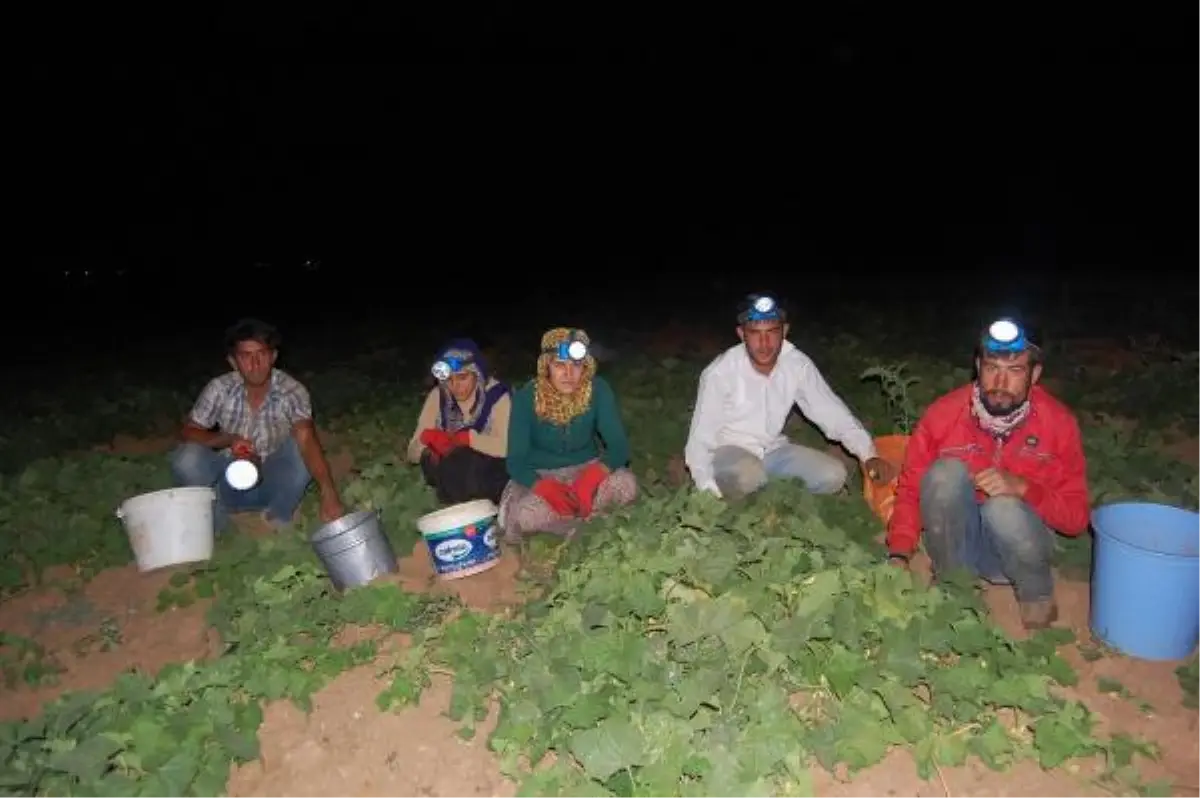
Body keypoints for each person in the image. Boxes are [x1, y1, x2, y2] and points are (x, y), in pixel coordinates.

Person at [885, 318, 1089, 630]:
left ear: (1034, 375)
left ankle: (1036, 597)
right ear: (978, 366)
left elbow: (1076, 519)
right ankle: (956, 587)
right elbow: (912, 487)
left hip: (1016, 547)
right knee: (944, 474)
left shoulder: (1058, 424)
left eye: (1015, 371)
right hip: (958, 541)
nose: (1000, 382)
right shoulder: (944, 414)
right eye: (992, 367)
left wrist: (1024, 488)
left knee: (1003, 507)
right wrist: (899, 551)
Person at [684, 293, 897, 500]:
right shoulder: (720, 372)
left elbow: (833, 414)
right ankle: (752, 495)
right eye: (755, 333)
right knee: (748, 476)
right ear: (741, 334)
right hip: (729, 452)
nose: (764, 343)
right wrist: (704, 486)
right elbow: (700, 440)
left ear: (784, 331)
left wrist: (869, 455)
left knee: (834, 476)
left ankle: (770, 493)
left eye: (772, 332)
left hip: (773, 451)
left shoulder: (797, 365)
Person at [169, 318, 345, 530]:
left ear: (273, 357)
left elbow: (307, 439)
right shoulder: (219, 388)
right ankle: (219, 524)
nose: (255, 364)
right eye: (246, 357)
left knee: (300, 447)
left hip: (272, 477)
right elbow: (189, 431)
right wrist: (227, 439)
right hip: (228, 481)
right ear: (233, 362)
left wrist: (328, 492)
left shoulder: (291, 391)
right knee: (186, 458)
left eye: (262, 354)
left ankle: (277, 517)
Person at [499, 327, 638, 539]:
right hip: (542, 475)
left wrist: (593, 476)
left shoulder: (598, 390)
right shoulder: (526, 398)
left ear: (586, 367)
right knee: (526, 515)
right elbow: (515, 461)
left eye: (576, 365)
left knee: (626, 484)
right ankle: (587, 522)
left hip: (587, 467)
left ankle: (576, 521)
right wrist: (543, 487)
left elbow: (619, 447)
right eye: (559, 365)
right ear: (546, 367)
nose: (568, 374)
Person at [406, 339, 512, 505]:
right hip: (450, 471)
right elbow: (412, 454)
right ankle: (457, 504)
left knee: (467, 458)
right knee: (437, 459)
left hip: (490, 471)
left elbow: (508, 448)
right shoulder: (438, 396)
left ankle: (483, 505)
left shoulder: (496, 396)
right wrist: (427, 443)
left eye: (462, 378)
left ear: (476, 374)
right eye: (449, 379)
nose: (455, 386)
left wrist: (470, 440)